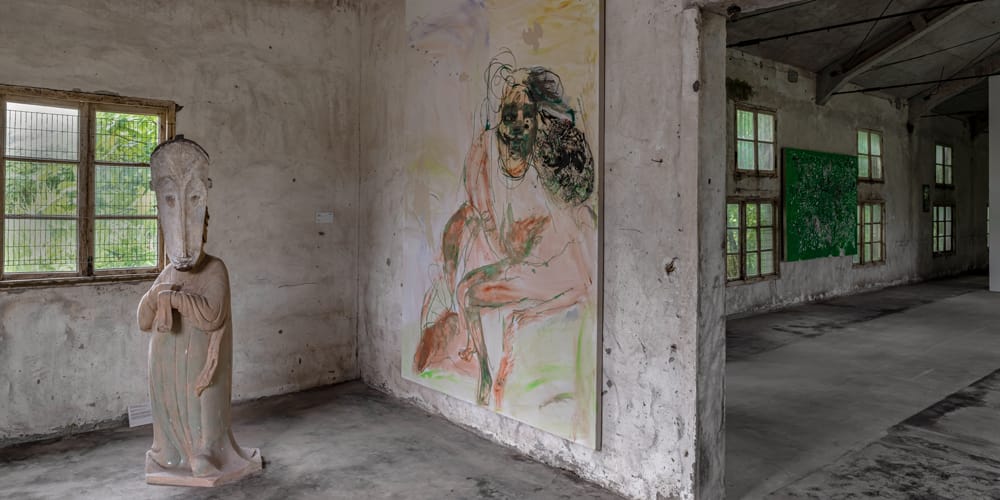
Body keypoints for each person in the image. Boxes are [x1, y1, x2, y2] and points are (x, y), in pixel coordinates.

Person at [415, 59, 597, 409]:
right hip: (518, 261)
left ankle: (487, 376)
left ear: (537, 119)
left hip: (553, 264)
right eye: (510, 114)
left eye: (526, 116)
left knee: (470, 293)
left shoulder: (549, 155)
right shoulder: (485, 151)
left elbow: (571, 208)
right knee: (466, 292)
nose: (517, 125)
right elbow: (474, 214)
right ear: (499, 114)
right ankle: (483, 373)